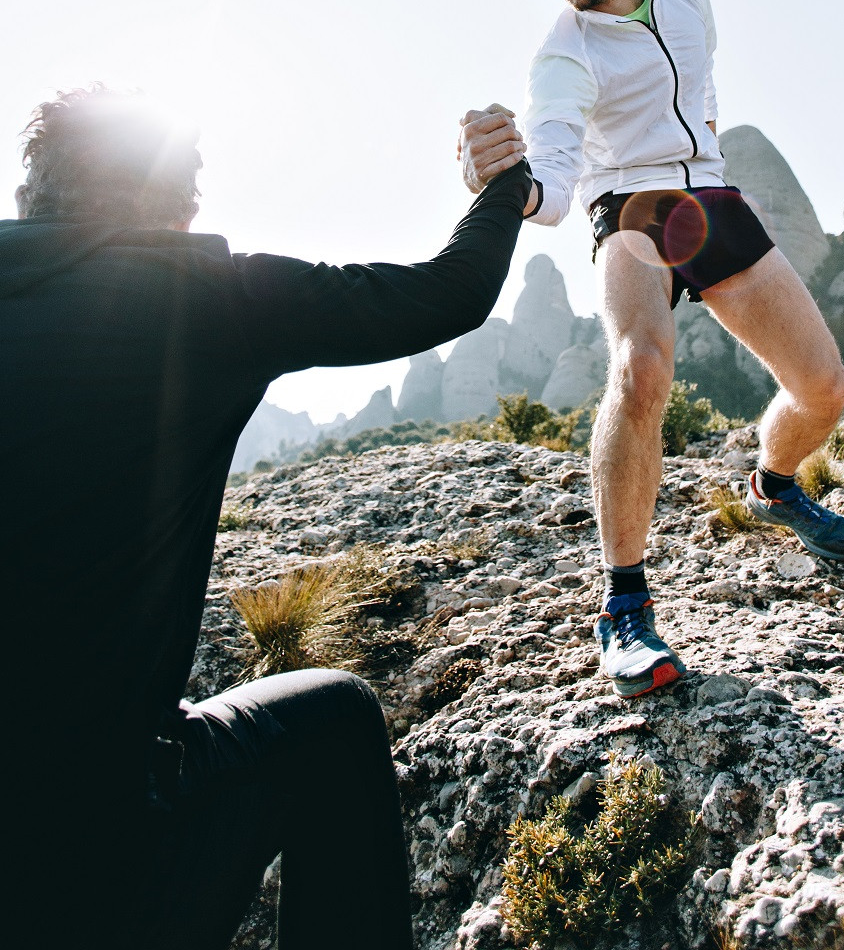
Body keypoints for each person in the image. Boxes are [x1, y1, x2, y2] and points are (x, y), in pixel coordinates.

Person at [1, 85, 527, 949]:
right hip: (99, 856)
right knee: (340, 723)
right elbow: (451, 293)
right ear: (177, 205)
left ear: (33, 194)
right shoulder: (204, 295)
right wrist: (502, 185)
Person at [472, 0, 844, 700]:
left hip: (712, 198)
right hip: (631, 209)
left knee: (824, 390)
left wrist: (707, 139)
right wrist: (506, 179)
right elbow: (552, 176)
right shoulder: (563, 54)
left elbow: (701, 72)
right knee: (640, 368)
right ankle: (622, 605)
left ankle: (774, 484)